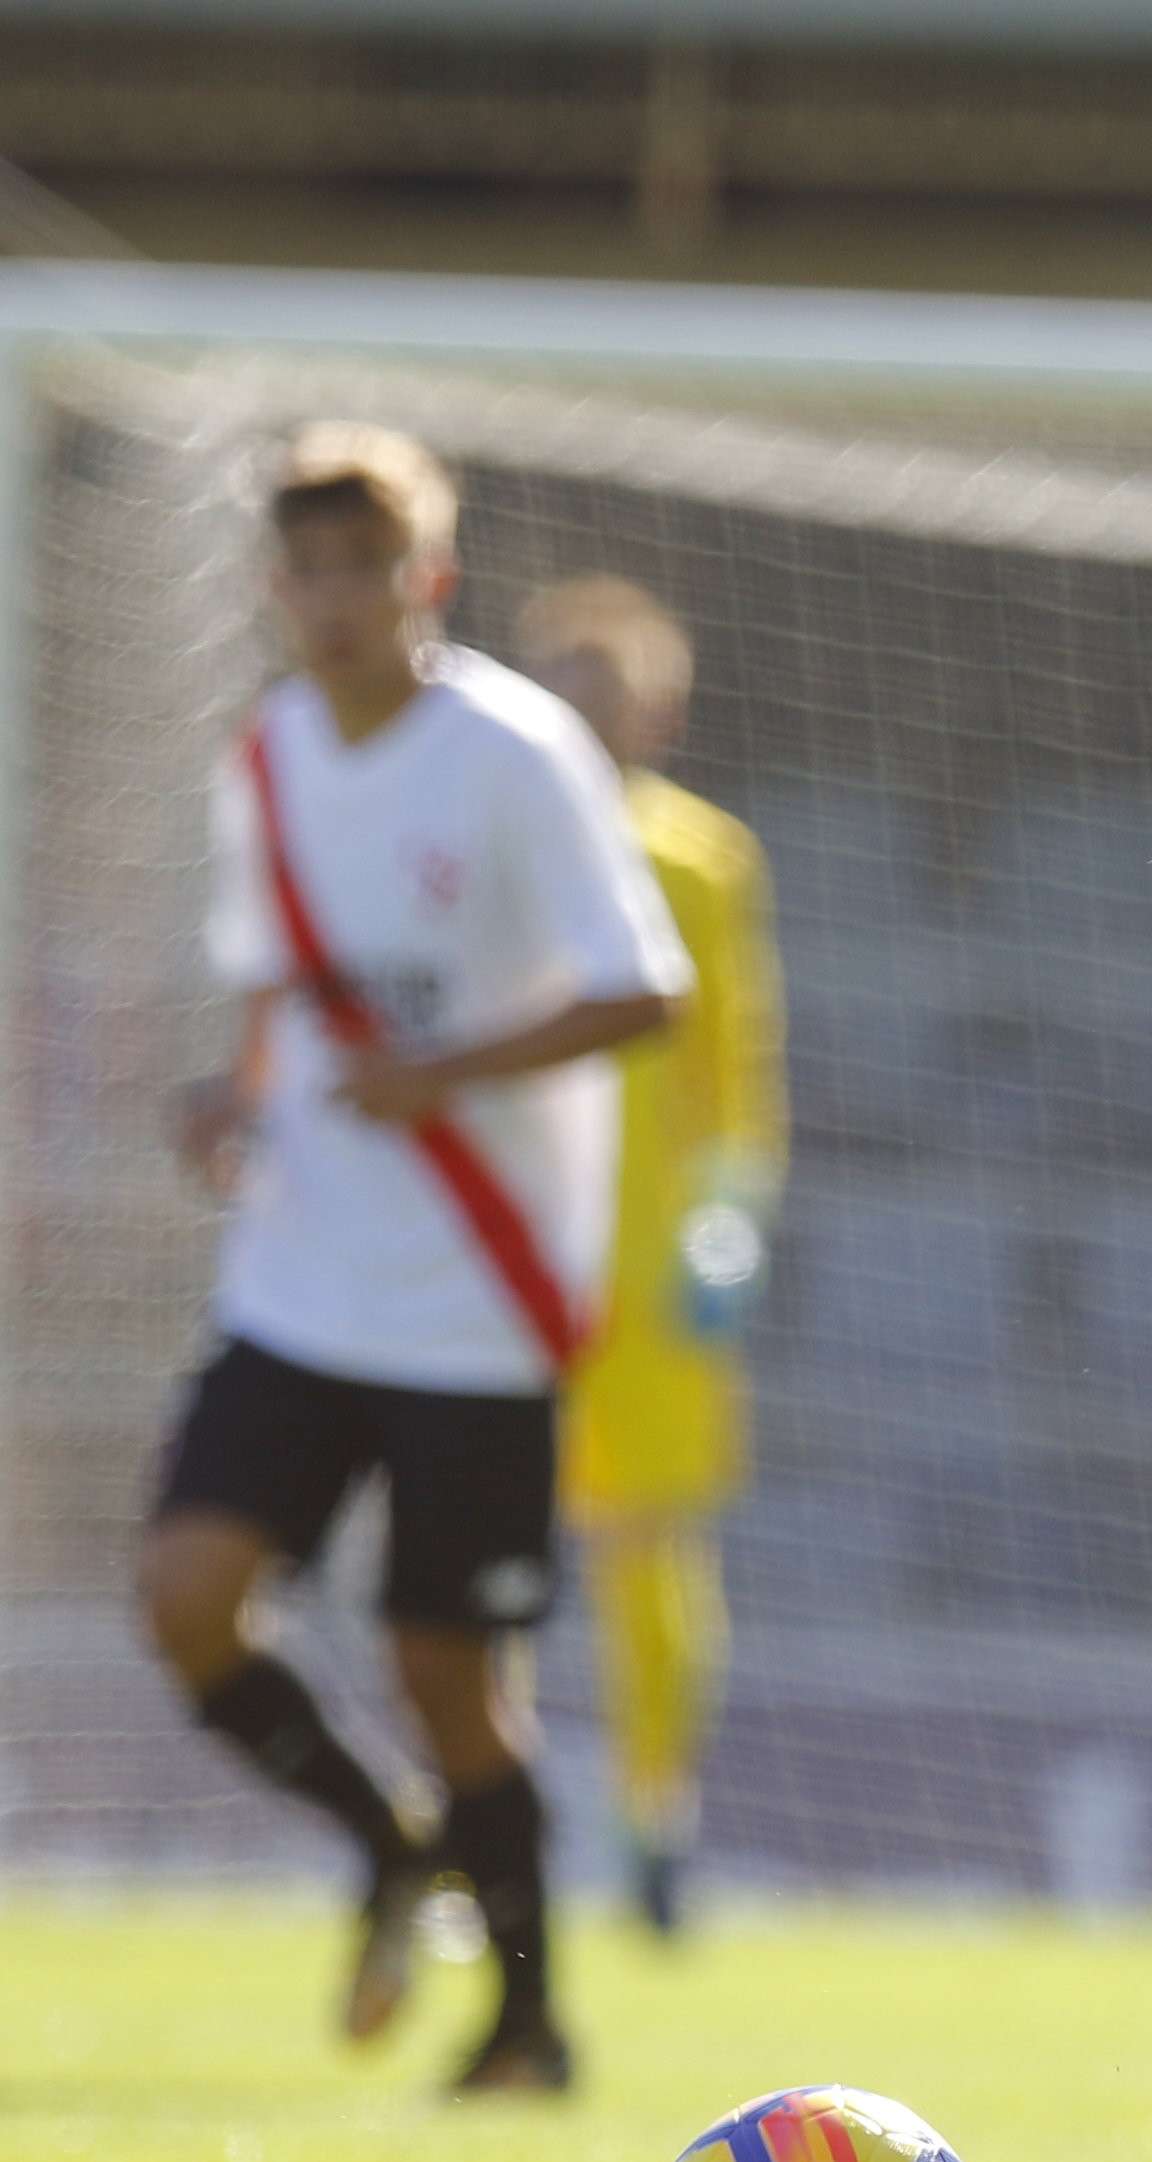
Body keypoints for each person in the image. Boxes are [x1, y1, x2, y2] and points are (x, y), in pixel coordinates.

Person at [136, 423, 692, 2092]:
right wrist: (234, 1100)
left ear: (424, 578)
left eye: (359, 571)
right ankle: (387, 1842)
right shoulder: (270, 755)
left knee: (450, 1669)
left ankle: (526, 2024)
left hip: (476, 1298)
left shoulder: (519, 756)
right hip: (301, 1275)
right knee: (185, 1600)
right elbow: (273, 976)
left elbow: (643, 989)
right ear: (275, 587)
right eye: (300, 573)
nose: (329, 603)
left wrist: (434, 1074)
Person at [514, 575, 787, 1937]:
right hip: (505, 1246)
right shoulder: (500, 839)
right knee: (479, 1532)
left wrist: (729, 1207)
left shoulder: (699, 857)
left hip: (643, 1256)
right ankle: (484, 1808)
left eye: (602, 685)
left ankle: (653, 1809)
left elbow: (737, 1061)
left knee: (648, 1545)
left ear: (656, 707)